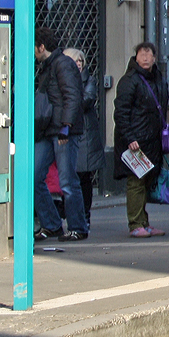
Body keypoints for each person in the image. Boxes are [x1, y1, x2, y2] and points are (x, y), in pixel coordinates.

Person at [34, 27, 88, 242]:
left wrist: (66, 125)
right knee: (35, 177)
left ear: (42, 47)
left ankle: (77, 227)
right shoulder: (51, 65)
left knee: (66, 180)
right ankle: (53, 224)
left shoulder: (61, 64)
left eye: (35, 48)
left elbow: (72, 96)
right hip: (51, 129)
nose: (34, 53)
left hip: (61, 130)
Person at [112, 41, 169, 238]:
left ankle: (144, 221)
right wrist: (129, 137)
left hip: (152, 140)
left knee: (146, 181)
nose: (145, 58)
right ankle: (135, 223)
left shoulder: (158, 78)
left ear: (154, 57)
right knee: (136, 181)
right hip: (135, 141)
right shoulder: (130, 80)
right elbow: (121, 112)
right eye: (141, 54)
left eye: (148, 54)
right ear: (136, 57)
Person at [64, 48, 103, 231]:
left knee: (83, 176)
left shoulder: (88, 80)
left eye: (80, 61)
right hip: (66, 133)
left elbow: (86, 100)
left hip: (85, 134)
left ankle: (84, 215)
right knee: (69, 176)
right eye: (75, 61)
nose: (78, 64)